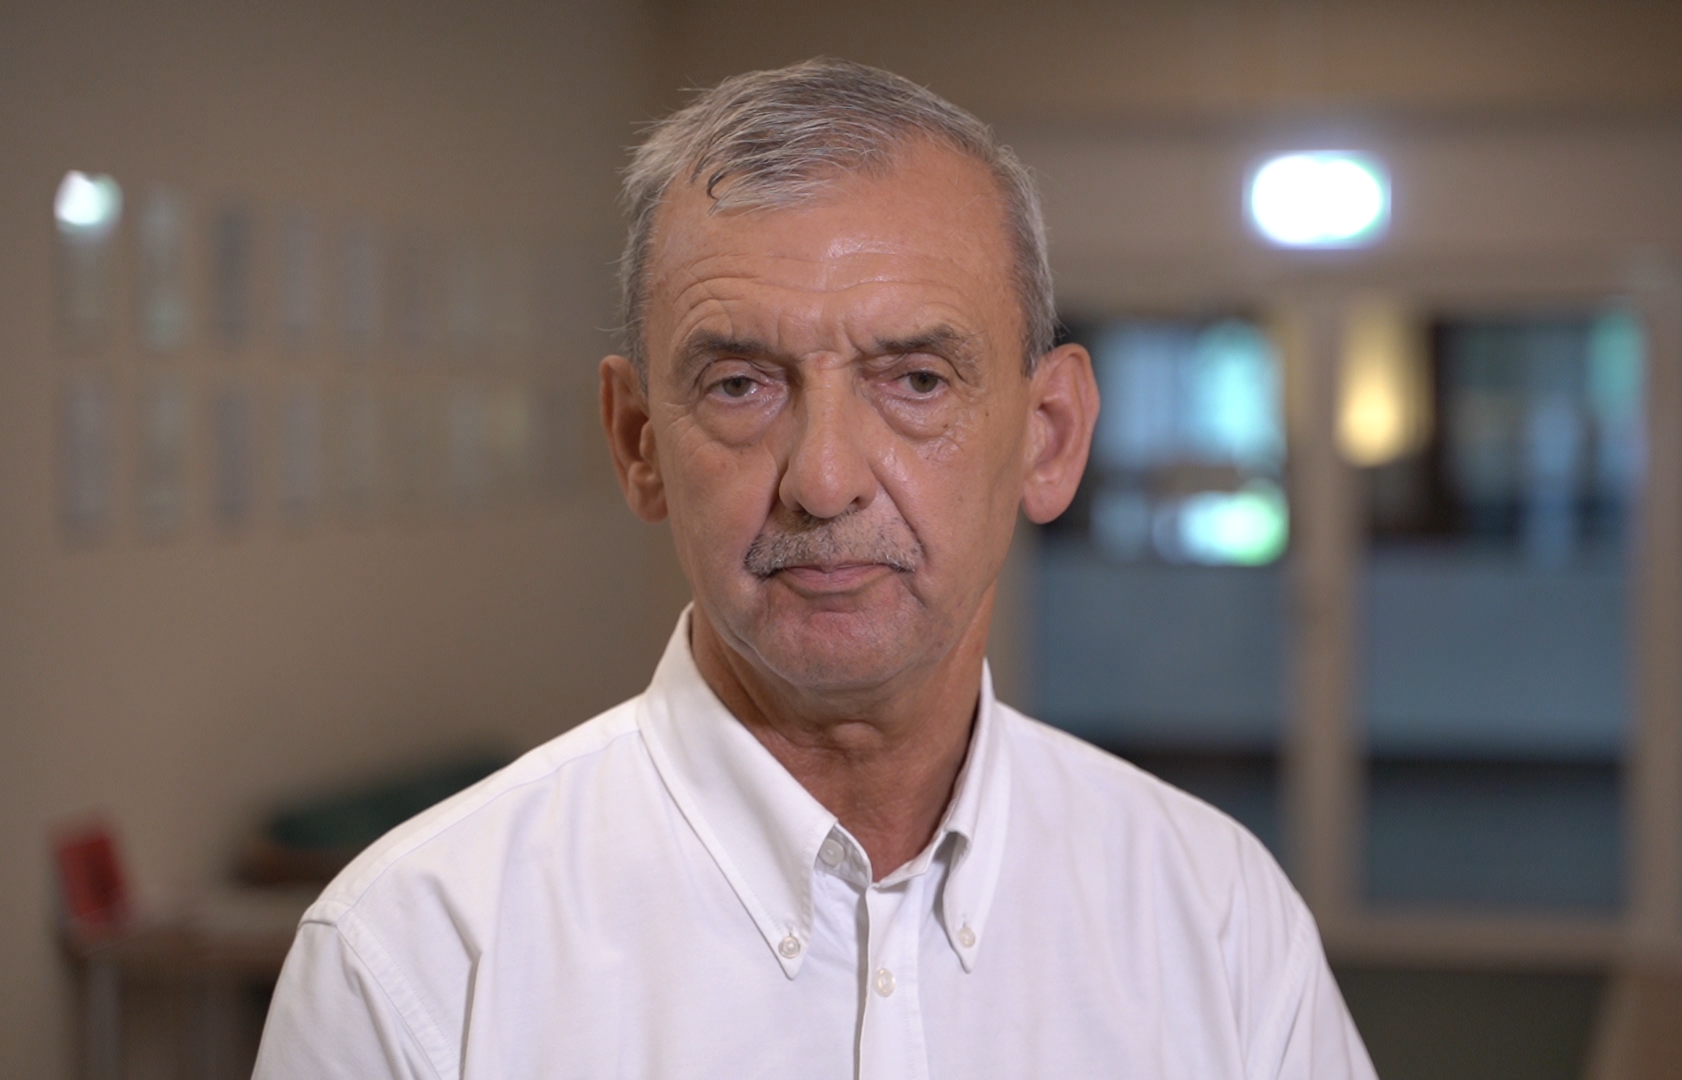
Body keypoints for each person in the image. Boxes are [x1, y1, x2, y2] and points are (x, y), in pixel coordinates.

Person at [253, 58, 1375, 1079]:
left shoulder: (1218, 920)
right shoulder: (416, 958)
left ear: (1050, 438)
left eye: (916, 380)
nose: (826, 480)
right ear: (639, 443)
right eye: (742, 384)